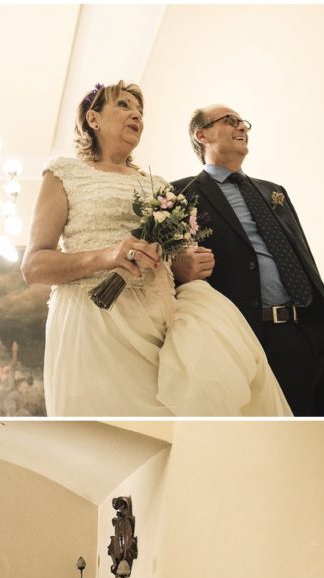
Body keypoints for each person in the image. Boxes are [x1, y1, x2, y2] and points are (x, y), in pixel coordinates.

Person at [21, 81, 290, 417]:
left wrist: (183, 264)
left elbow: (170, 256)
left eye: (139, 110)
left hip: (161, 318)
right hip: (96, 322)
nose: (136, 114)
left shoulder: (158, 185)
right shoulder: (64, 173)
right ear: (93, 118)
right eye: (122, 105)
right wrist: (107, 256)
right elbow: (33, 266)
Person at [170, 106, 324, 417]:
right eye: (230, 121)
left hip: (320, 329)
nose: (242, 126)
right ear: (202, 135)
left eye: (243, 122)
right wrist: (176, 264)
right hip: (263, 341)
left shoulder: (273, 191)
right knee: (304, 443)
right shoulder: (179, 194)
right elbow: (163, 268)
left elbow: (303, 256)